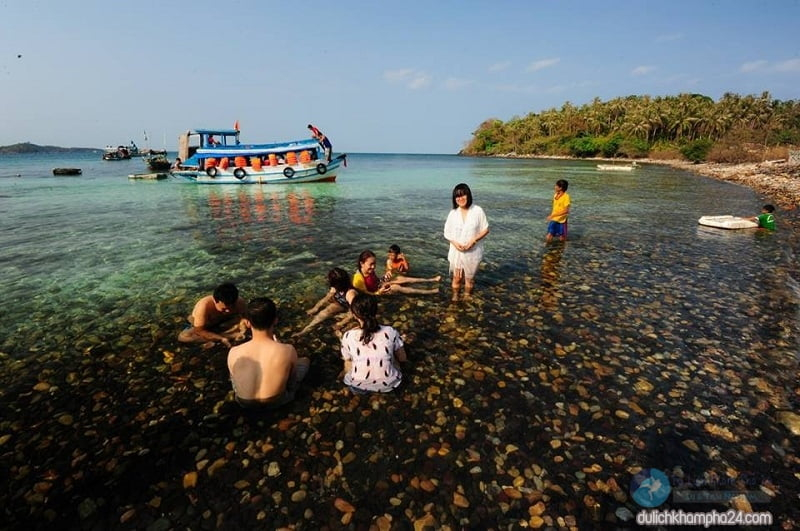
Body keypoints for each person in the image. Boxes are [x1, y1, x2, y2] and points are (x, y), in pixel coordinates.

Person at [227, 297, 310, 409]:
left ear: (247, 323)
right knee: (304, 361)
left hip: (244, 403)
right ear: (275, 320)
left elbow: (234, 378)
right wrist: (279, 347)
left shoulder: (234, 351)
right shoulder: (288, 350)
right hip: (277, 401)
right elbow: (291, 382)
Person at [339, 293, 406, 393]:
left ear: (354, 315)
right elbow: (403, 358)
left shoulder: (348, 336)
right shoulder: (390, 331)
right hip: (390, 384)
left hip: (357, 385)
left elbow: (348, 359)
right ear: (376, 311)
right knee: (395, 354)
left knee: (347, 359)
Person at [443, 183, 490, 301]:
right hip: (457, 251)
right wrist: (455, 243)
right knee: (456, 278)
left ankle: (467, 296)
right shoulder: (453, 213)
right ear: (454, 199)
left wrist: (473, 241)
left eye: (463, 195)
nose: (460, 198)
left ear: (468, 195)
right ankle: (455, 297)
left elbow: (485, 229)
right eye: (457, 196)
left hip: (473, 251)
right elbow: (447, 232)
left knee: (469, 279)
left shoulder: (477, 211)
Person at [177, 282, 248, 347]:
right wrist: (222, 338)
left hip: (224, 322)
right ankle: (230, 335)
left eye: (232, 307)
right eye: (224, 309)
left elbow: (245, 318)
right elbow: (199, 330)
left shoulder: (239, 302)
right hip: (205, 325)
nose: (228, 311)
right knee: (184, 337)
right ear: (215, 301)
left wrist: (243, 328)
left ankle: (228, 335)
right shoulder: (204, 306)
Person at [294, 268, 358, 337]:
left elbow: (354, 311)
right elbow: (327, 298)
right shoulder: (335, 288)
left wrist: (341, 323)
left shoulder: (350, 293)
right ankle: (305, 330)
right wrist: (316, 308)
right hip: (340, 304)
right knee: (324, 313)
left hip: (350, 308)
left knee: (339, 330)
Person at [353, 250, 438, 296]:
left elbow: (375, 280)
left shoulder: (369, 270)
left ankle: (431, 280)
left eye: (374, 263)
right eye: (371, 264)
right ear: (362, 263)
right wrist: (379, 292)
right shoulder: (358, 278)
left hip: (379, 284)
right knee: (396, 287)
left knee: (401, 278)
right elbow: (366, 295)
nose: (373, 266)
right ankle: (429, 292)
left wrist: (385, 277)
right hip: (376, 293)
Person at [545, 179, 570, 243]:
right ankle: (548, 248)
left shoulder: (566, 197)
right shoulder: (555, 195)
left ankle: (561, 249)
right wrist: (552, 216)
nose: (555, 187)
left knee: (561, 237)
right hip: (554, 219)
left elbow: (566, 210)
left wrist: (553, 215)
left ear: (560, 188)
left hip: (562, 220)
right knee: (549, 234)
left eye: (556, 186)